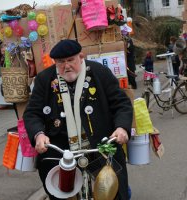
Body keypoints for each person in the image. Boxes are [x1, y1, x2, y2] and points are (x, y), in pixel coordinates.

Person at [23, 39, 133, 200]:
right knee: (57, 189)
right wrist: (39, 134)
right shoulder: (44, 79)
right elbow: (32, 113)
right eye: (61, 62)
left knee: (114, 190)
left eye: (70, 60)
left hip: (99, 144)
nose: (66, 66)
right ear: (55, 62)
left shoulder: (99, 72)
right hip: (61, 148)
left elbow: (122, 104)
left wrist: (122, 127)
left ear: (80, 57)